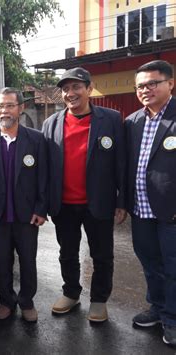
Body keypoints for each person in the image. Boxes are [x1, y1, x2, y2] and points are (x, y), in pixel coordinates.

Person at [42, 67, 126, 322]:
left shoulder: (111, 119)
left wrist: (121, 200)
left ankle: (99, 300)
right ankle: (71, 292)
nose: (70, 93)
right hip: (64, 204)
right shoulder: (51, 123)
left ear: (89, 89)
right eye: (66, 89)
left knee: (101, 255)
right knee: (67, 252)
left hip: (98, 202)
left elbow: (121, 162)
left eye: (76, 87)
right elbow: (45, 168)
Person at [0, 87, 47, 322]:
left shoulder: (36, 140)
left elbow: (43, 178)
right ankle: (6, 301)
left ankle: (27, 301)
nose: (4, 110)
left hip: (27, 216)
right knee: (3, 261)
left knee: (28, 261)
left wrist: (41, 209)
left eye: (9, 105)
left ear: (20, 108)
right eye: (0, 106)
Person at [125, 60, 176, 346]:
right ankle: (157, 307)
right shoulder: (133, 121)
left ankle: (173, 318)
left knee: (174, 266)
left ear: (170, 83)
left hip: (172, 212)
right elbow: (126, 166)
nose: (146, 90)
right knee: (150, 263)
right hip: (141, 209)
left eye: (152, 83)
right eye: (140, 86)